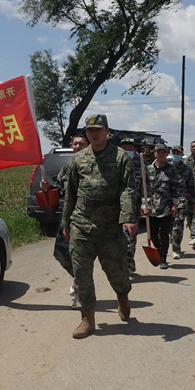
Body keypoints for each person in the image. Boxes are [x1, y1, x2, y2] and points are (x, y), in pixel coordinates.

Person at [61, 114, 137, 339]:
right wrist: (65, 222)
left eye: (98, 129)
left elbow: (128, 190)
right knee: (82, 273)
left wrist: (128, 217)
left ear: (107, 131)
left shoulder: (122, 158)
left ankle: (122, 296)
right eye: (90, 130)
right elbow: (70, 194)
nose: (94, 133)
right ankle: (87, 319)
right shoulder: (78, 159)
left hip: (111, 226)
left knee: (116, 271)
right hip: (81, 223)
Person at [40, 133, 89, 309]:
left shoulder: (95, 166)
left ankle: (83, 294)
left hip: (89, 218)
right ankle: (78, 278)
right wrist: (49, 187)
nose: (77, 147)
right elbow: (59, 187)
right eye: (75, 144)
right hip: (68, 218)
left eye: (81, 143)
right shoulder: (67, 167)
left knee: (82, 257)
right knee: (60, 253)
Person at [140, 144, 184, 269]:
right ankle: (158, 249)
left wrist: (175, 205)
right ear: (155, 154)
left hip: (166, 207)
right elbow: (144, 189)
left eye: (163, 152)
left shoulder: (171, 170)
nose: (160, 154)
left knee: (164, 234)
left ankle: (163, 257)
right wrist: (144, 205)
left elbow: (175, 189)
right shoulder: (148, 169)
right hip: (152, 208)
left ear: (166, 154)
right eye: (158, 152)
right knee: (153, 234)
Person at [119, 137, 142, 275]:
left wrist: (146, 205)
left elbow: (147, 188)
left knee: (130, 238)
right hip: (115, 209)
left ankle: (128, 265)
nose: (127, 151)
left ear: (135, 150)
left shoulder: (141, 166)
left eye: (130, 148)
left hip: (134, 209)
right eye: (124, 148)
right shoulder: (113, 165)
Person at [169, 145, 194, 259]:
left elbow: (191, 187)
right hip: (167, 200)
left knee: (178, 224)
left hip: (181, 200)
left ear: (182, 155)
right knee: (168, 225)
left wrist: (192, 202)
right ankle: (170, 240)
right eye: (174, 152)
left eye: (178, 153)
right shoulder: (167, 167)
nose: (176, 155)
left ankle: (176, 248)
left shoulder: (187, 169)